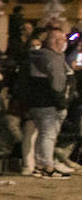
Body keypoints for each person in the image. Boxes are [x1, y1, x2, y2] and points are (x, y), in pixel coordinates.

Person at [22, 26, 73, 179]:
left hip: (37, 102)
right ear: (48, 41)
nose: (60, 42)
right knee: (48, 135)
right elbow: (57, 84)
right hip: (48, 103)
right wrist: (62, 103)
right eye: (56, 39)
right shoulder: (51, 58)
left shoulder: (36, 56)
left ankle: (39, 165)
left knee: (42, 135)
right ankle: (48, 167)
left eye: (62, 39)